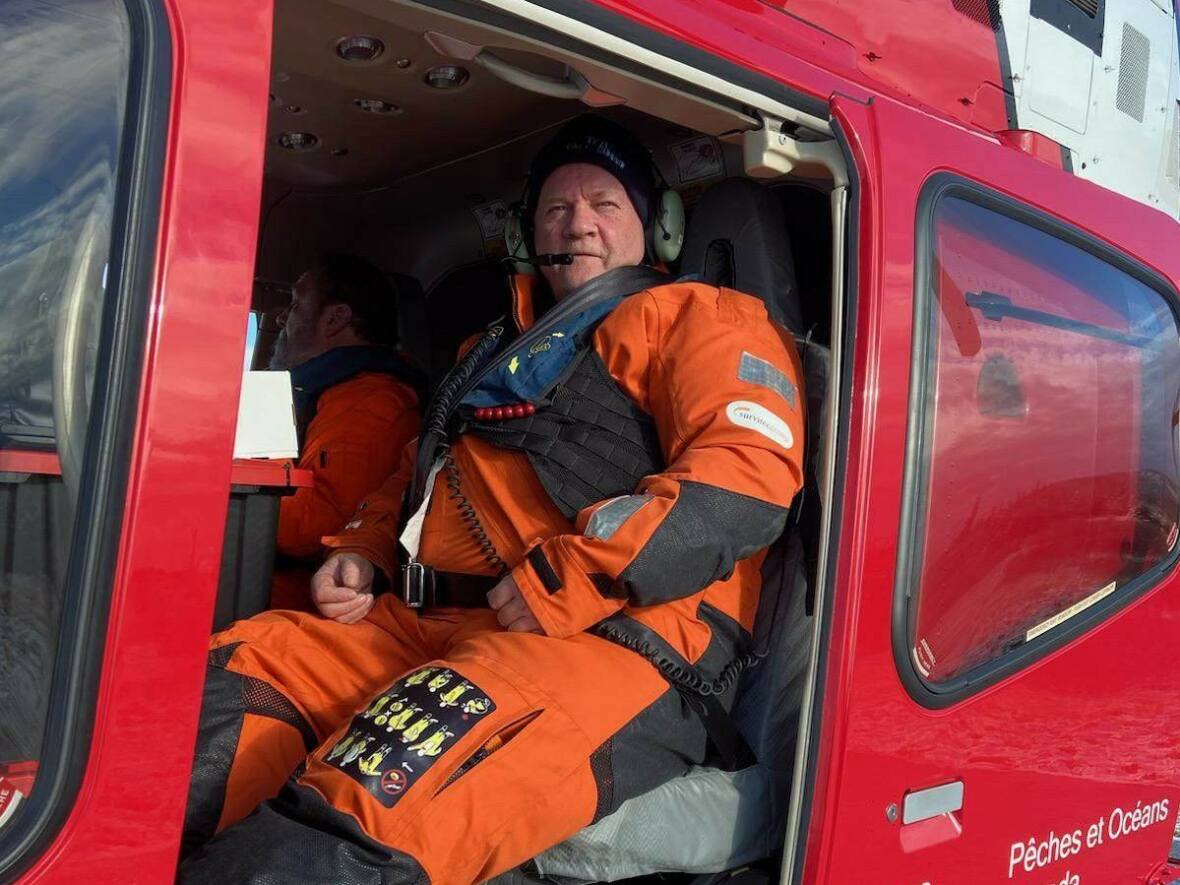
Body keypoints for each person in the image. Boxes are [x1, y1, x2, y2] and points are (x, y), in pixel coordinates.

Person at [180, 115, 805, 884]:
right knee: (194, 710)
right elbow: (416, 470)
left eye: (605, 205)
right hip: (417, 626)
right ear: (526, 234)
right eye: (556, 208)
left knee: (358, 817)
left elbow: (744, 477)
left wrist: (573, 575)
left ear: (658, 228)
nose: (578, 223)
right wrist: (365, 549)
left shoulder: (701, 318)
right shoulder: (491, 350)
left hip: (599, 641)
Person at [267, 253, 422, 610]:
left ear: (335, 318)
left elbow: (317, 526)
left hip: (300, 596)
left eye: (295, 303)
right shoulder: (332, 392)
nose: (281, 317)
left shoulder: (371, 400)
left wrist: (247, 467)